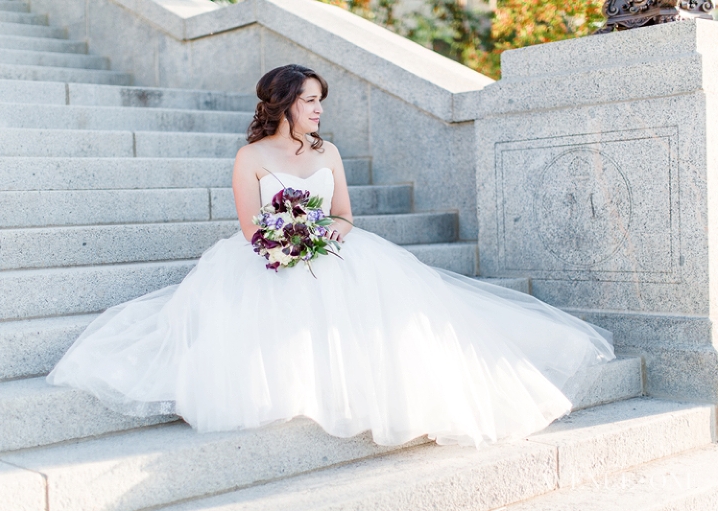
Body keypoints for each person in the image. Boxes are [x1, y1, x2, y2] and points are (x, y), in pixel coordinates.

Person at [47, 64, 615, 447]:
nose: (319, 110)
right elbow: (250, 229)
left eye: (321, 101)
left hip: (333, 250)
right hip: (268, 255)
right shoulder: (250, 157)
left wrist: (327, 233)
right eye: (311, 101)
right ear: (285, 105)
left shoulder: (330, 151)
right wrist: (289, 241)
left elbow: (344, 212)